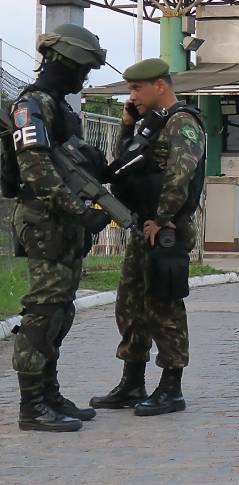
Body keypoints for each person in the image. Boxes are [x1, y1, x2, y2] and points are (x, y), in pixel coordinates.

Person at [5, 24, 110, 432]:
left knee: (61, 312)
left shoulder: (60, 107)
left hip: (62, 220)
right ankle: (32, 405)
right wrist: (80, 212)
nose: (85, 76)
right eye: (83, 67)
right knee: (44, 311)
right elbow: (36, 171)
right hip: (44, 219)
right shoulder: (32, 104)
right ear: (64, 61)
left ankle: (49, 392)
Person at [89, 58, 205, 416]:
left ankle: (171, 387)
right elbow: (125, 164)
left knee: (164, 304)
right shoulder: (148, 126)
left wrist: (162, 218)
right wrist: (127, 126)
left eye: (137, 88)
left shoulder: (182, 123)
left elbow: (179, 176)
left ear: (160, 86)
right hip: (145, 226)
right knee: (131, 304)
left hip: (166, 228)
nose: (132, 95)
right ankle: (132, 381)